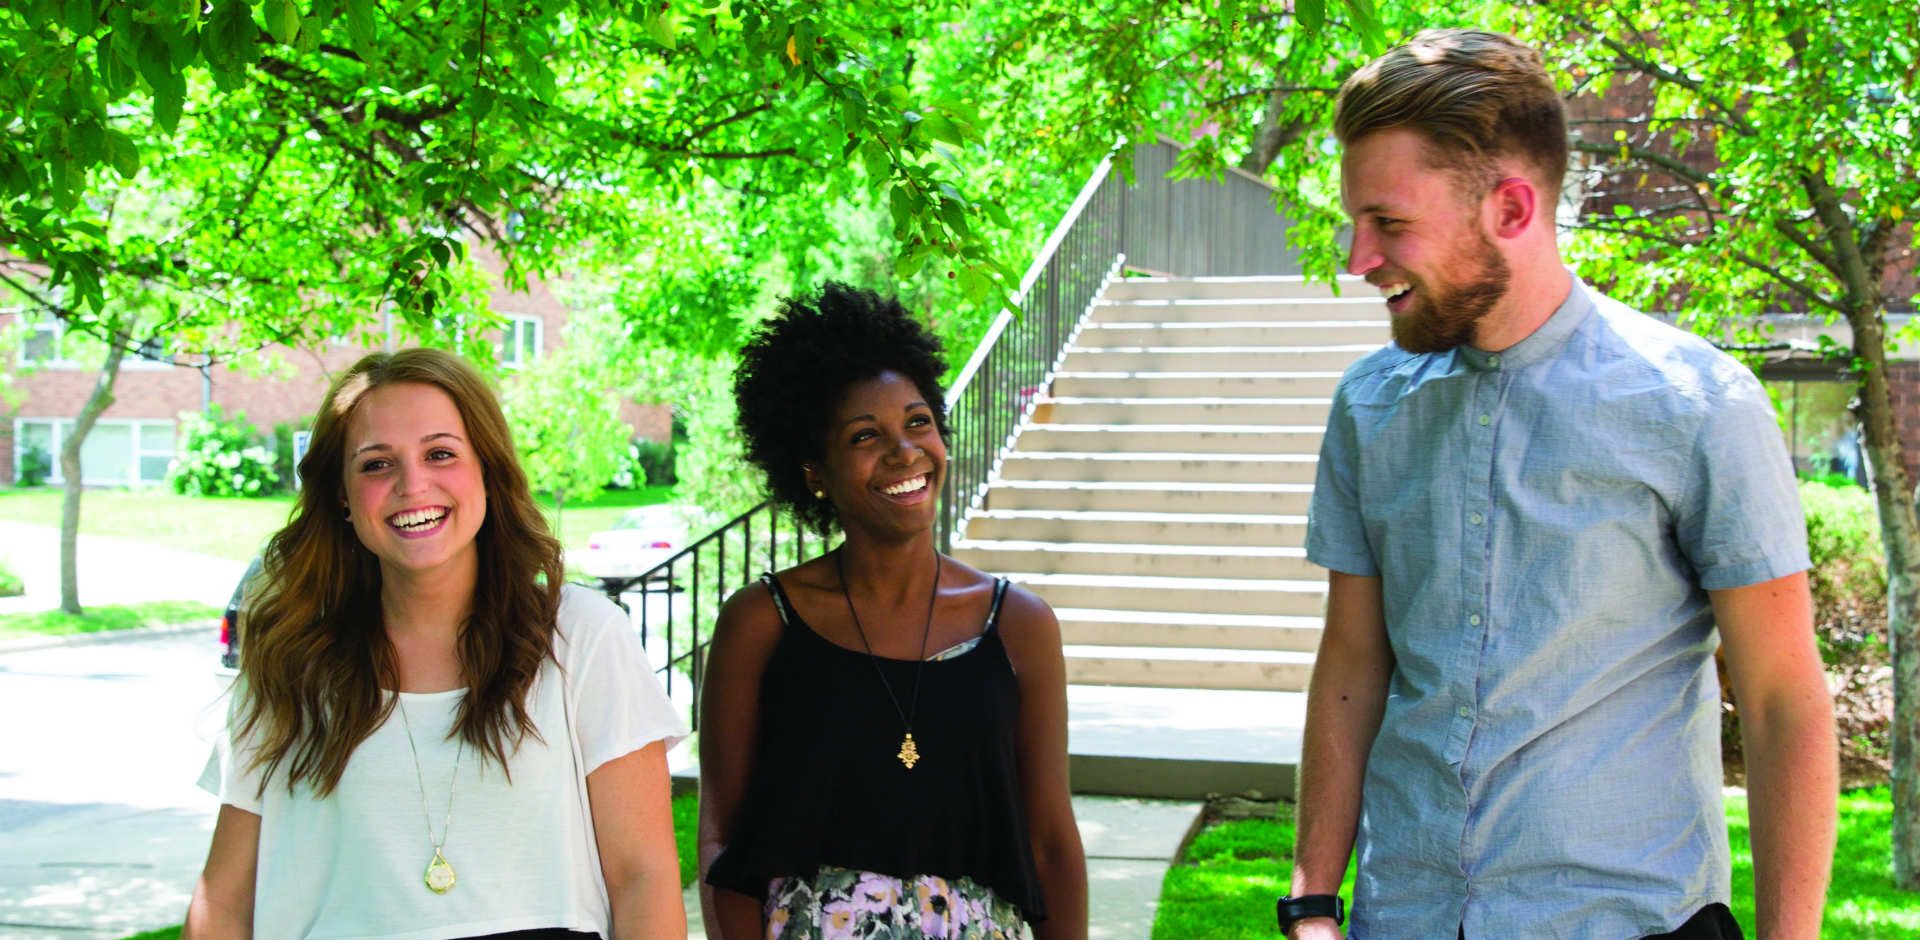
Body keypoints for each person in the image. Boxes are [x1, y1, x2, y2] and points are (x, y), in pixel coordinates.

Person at [1283, 29, 1838, 940]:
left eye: (1388, 223)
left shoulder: (1696, 405)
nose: (1358, 258)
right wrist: (1311, 904)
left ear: (1510, 209)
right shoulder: (1369, 405)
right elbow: (1352, 661)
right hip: (1406, 918)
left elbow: (1782, 701)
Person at [185, 348, 688, 940]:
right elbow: (222, 901)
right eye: (376, 464)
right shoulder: (292, 658)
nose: (412, 484)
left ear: (487, 472)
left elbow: (643, 876)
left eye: (441, 454)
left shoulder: (580, 636)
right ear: (341, 495)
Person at [697, 283, 1088, 940]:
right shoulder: (762, 623)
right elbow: (723, 840)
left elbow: (1051, 844)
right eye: (864, 436)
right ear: (813, 471)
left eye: (917, 422)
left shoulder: (1020, 625)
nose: (904, 451)